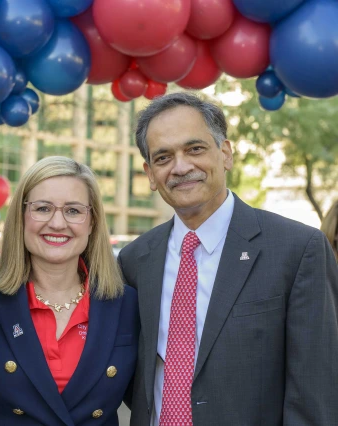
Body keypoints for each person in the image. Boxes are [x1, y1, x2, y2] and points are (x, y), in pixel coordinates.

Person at [118, 92, 338, 426]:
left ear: (225, 154)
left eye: (195, 149)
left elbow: (315, 392)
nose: (181, 167)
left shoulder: (298, 250)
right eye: (163, 157)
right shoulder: (135, 260)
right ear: (150, 173)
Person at [0, 156, 139, 425]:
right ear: (21, 217)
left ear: (92, 222)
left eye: (73, 211)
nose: (57, 223)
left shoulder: (127, 305)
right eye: (42, 208)